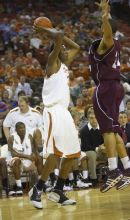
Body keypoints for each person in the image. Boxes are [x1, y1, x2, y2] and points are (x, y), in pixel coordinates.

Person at [29, 23, 81, 209]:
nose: (67, 50)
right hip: (52, 111)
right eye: (63, 49)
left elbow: (77, 47)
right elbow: (58, 36)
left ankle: (58, 190)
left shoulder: (64, 64)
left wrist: (60, 39)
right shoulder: (52, 63)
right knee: (55, 152)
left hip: (64, 113)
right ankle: (37, 188)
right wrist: (46, 32)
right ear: (56, 51)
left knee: (72, 153)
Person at [89, 0, 130, 193]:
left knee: (107, 131)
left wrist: (105, 15)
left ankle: (113, 171)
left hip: (105, 88)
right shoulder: (115, 44)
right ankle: (127, 170)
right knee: (113, 130)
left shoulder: (107, 42)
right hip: (115, 87)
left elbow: (107, 32)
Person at [7, 122, 43, 195]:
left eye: (24, 127)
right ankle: (19, 186)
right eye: (20, 128)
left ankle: (41, 183)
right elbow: (13, 154)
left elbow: (33, 149)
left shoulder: (29, 136)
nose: (22, 129)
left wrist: (33, 155)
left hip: (28, 160)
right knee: (17, 161)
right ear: (16, 129)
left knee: (39, 158)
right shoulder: (11, 138)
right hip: (15, 160)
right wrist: (28, 156)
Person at [79, 111, 107, 187]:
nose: (94, 120)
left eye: (96, 118)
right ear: (88, 119)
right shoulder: (83, 130)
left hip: (101, 151)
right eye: (91, 118)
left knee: (112, 150)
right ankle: (93, 178)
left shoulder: (102, 128)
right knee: (92, 154)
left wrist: (104, 146)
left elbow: (106, 140)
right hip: (87, 152)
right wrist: (97, 148)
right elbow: (85, 146)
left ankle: (112, 175)